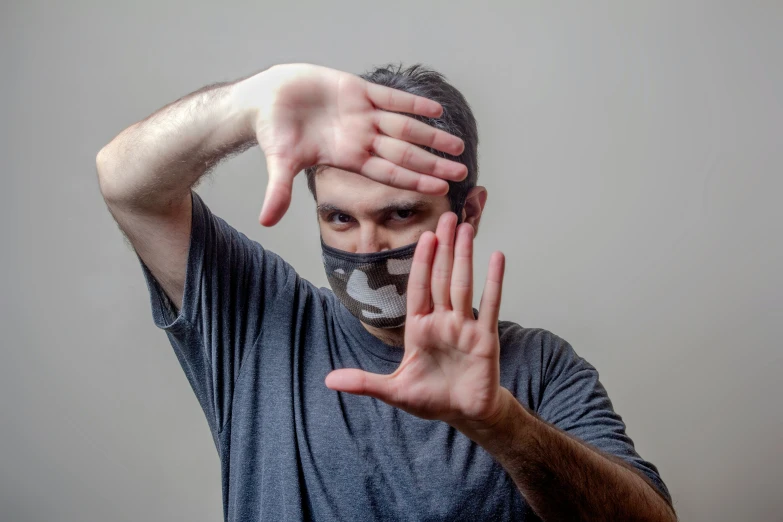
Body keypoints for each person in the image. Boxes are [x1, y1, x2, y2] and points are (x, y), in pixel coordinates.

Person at [96, 62, 676, 521]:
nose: (365, 250)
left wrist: (505, 426)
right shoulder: (262, 323)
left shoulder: (540, 368)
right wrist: (249, 102)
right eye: (339, 219)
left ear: (468, 215)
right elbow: (124, 183)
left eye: (399, 214)